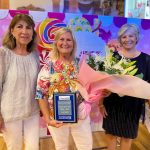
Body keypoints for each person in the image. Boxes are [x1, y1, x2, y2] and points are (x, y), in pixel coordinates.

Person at [35, 27, 93, 150]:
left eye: (69, 40)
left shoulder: (81, 64)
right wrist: (47, 119)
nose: (65, 43)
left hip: (80, 116)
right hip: (57, 118)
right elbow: (41, 94)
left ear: (74, 43)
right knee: (61, 147)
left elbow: (91, 88)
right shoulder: (48, 67)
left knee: (85, 146)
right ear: (56, 42)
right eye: (61, 39)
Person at [99, 24, 150, 150]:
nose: (128, 39)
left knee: (127, 137)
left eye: (131, 36)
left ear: (137, 37)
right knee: (111, 135)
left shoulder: (147, 59)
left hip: (133, 106)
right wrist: (100, 104)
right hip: (112, 104)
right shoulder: (113, 57)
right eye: (124, 36)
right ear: (120, 39)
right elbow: (102, 82)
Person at [0, 14, 40, 150]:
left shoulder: (35, 55)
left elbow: (39, 84)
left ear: (32, 32)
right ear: (12, 30)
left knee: (33, 147)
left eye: (28, 27)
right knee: (14, 147)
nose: (24, 31)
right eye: (19, 26)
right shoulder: (3, 54)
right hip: (10, 113)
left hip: (33, 111)